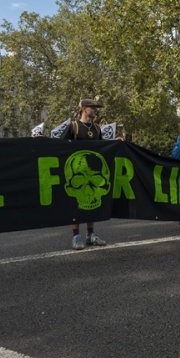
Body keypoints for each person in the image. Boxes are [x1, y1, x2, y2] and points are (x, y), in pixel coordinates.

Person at [60, 98, 108, 249]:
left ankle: (91, 235)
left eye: (96, 107)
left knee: (92, 203)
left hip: (93, 174)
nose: (95, 110)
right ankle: (76, 236)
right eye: (92, 107)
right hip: (77, 175)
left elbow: (104, 148)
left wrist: (117, 143)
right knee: (75, 205)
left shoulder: (97, 129)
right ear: (84, 108)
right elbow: (59, 145)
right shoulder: (73, 127)